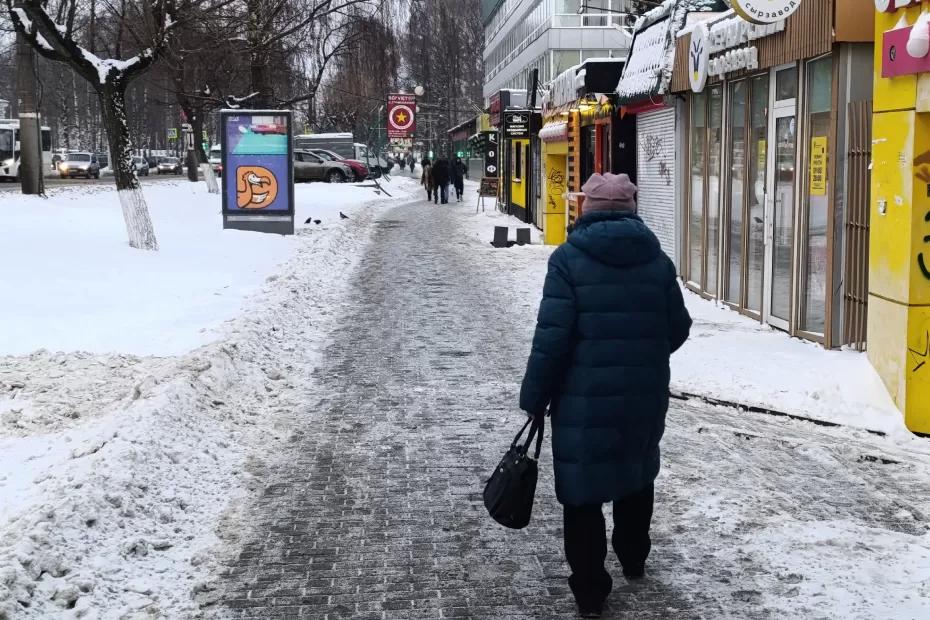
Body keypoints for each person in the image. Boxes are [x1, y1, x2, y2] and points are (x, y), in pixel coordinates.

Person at [519, 173, 692, 618]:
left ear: (585, 209)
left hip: (583, 399)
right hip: (643, 394)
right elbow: (679, 328)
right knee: (636, 472)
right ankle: (634, 556)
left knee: (583, 492)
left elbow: (552, 338)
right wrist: (643, 356)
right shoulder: (657, 261)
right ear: (633, 209)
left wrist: (534, 396)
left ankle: (591, 590)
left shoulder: (567, 260)